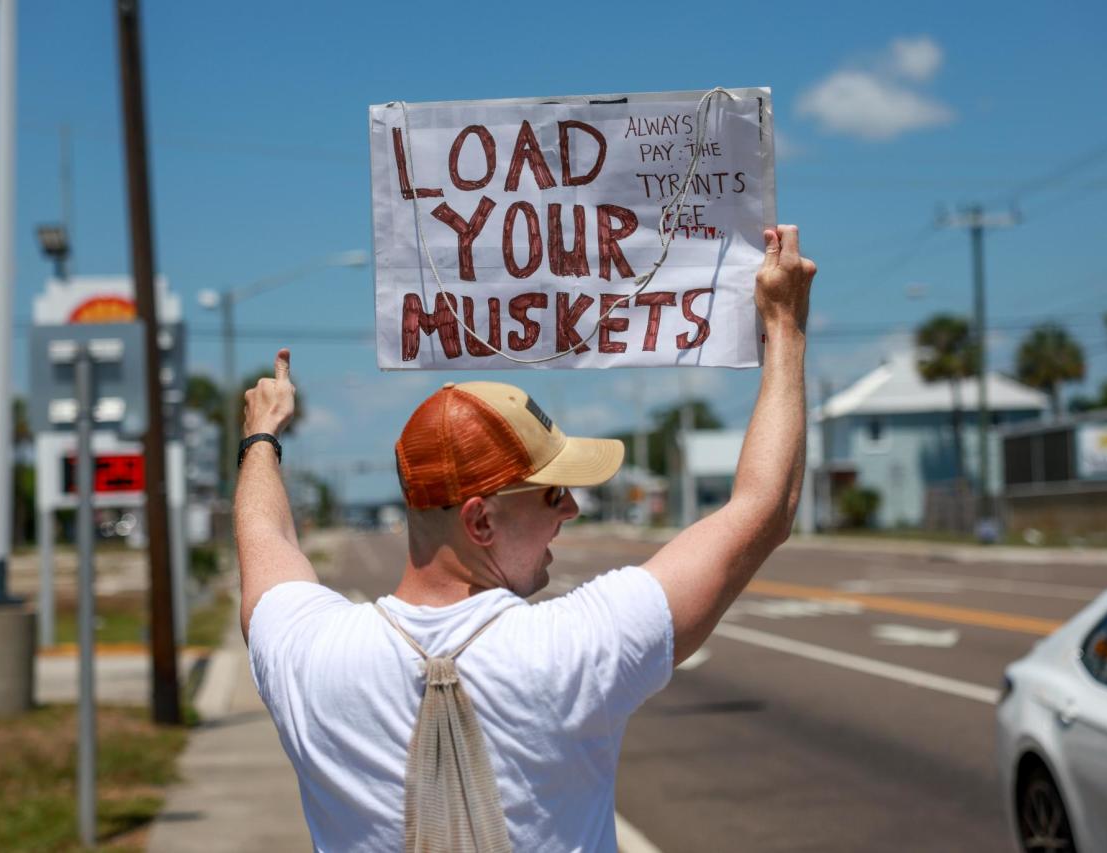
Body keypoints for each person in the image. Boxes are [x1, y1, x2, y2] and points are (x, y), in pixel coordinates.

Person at [235, 224, 816, 852]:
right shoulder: (575, 648)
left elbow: (265, 536)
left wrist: (262, 435)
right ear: (481, 521)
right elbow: (766, 508)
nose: (571, 509)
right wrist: (783, 326)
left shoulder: (308, 652)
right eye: (552, 493)